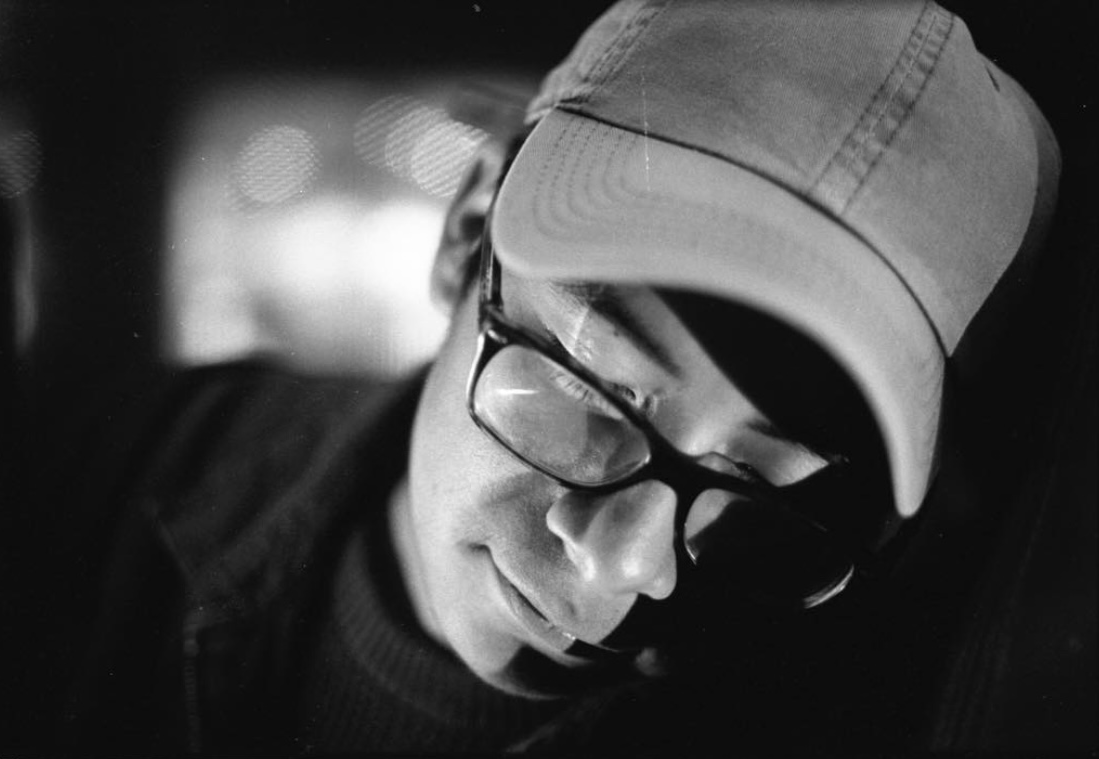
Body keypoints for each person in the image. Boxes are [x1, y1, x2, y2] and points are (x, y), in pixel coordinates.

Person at [53, 0, 1064, 753]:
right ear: (467, 233)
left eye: (756, 493)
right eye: (593, 393)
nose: (628, 569)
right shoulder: (83, 485)